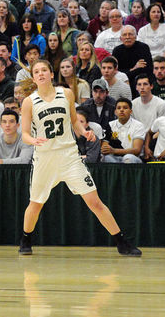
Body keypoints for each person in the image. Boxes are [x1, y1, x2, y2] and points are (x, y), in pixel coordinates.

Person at [18, 59, 141, 257]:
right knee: (36, 203)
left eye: (44, 70)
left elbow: (74, 122)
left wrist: (85, 133)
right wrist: (32, 140)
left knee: (95, 202)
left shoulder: (65, 93)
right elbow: (23, 132)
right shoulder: (29, 102)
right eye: (36, 72)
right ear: (33, 77)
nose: (40, 74)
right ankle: (26, 239)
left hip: (69, 156)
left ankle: (121, 241)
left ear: (51, 73)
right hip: (45, 157)